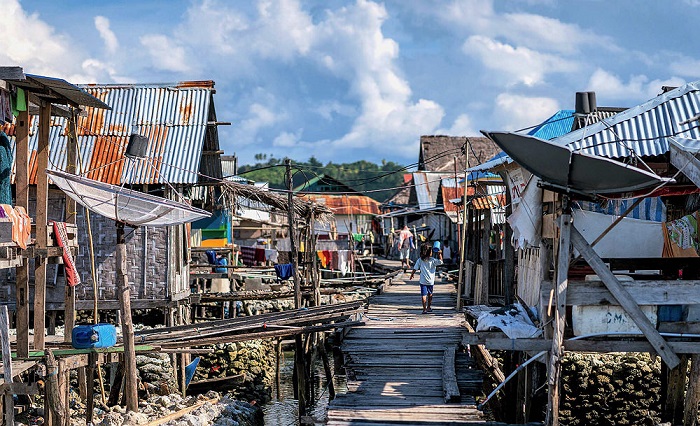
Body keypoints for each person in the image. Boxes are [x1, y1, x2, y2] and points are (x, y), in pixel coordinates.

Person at [409, 242, 443, 314]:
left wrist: (412, 274)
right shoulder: (433, 260)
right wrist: (439, 254)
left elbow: (415, 268)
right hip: (431, 281)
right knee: (430, 294)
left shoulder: (420, 260)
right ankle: (429, 307)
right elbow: (441, 262)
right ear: (430, 252)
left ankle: (424, 309)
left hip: (423, 281)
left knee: (423, 295)